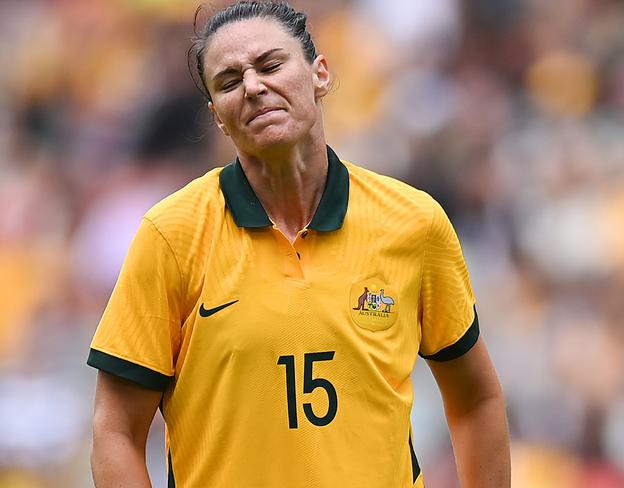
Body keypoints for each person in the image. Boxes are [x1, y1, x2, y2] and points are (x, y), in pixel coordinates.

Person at [87, 1, 511, 487]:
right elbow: (115, 429)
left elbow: (476, 399)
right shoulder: (172, 234)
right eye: (228, 81)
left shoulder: (414, 223)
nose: (252, 86)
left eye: (271, 65)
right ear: (218, 117)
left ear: (320, 74)